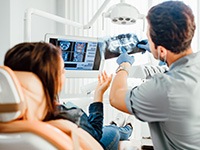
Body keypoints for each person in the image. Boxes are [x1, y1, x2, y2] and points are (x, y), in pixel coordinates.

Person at [3, 42, 134, 150]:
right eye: (62, 71)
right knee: (112, 131)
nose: (64, 73)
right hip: (94, 136)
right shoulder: (67, 119)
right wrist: (98, 94)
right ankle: (127, 127)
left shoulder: (9, 123)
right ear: (53, 80)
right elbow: (96, 133)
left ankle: (119, 124)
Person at [109, 1, 200, 150]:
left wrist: (124, 66)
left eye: (149, 37)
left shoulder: (165, 88)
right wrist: (163, 57)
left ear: (162, 50)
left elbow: (116, 97)